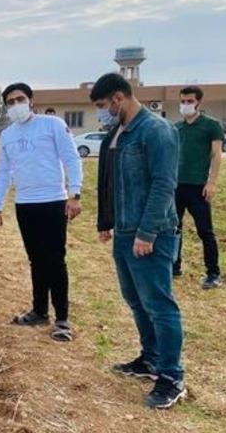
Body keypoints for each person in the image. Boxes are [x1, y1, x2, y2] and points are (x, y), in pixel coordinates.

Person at [93, 72, 185, 409]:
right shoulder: (117, 133)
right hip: (124, 231)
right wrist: (106, 222)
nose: (102, 113)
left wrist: (147, 233)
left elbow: (164, 185)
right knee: (135, 300)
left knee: (159, 306)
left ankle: (172, 377)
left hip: (151, 234)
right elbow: (109, 181)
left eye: (103, 106)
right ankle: (151, 359)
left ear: (118, 98)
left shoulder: (156, 131)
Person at [0, 83, 83, 342]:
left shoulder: (51, 125)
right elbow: (2, 172)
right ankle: (40, 311)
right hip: (25, 204)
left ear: (31, 100)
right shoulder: (8, 135)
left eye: (20, 99)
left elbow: (71, 158)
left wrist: (75, 194)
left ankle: (62, 319)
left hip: (53, 202)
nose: (15, 105)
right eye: (10, 102)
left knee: (55, 260)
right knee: (36, 260)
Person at [173, 86, 223, 288]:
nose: (186, 105)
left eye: (189, 101)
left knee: (205, 231)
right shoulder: (177, 128)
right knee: (174, 229)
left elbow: (217, 155)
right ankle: (174, 266)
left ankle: (213, 273)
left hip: (198, 187)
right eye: (183, 101)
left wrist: (211, 182)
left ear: (198, 103)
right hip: (176, 186)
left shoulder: (211, 125)